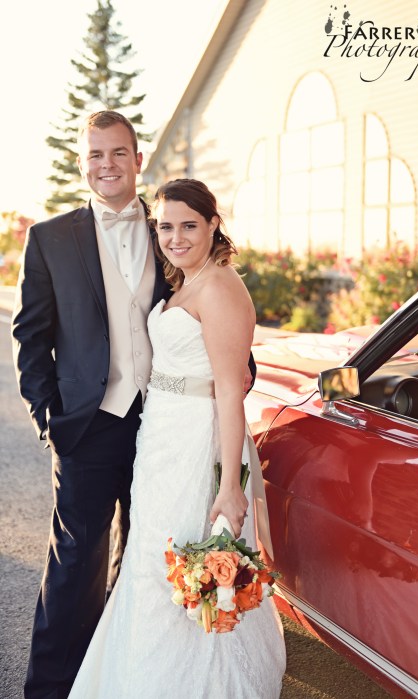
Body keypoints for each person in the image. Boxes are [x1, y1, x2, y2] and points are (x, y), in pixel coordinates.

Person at [12, 112, 254, 698]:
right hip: (87, 427)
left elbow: (210, 307)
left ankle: (124, 675)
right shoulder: (49, 238)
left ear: (138, 160)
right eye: (96, 154)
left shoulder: (168, 224)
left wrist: (237, 369)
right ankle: (50, 690)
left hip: (164, 429)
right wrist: (49, 421)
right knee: (75, 566)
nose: (108, 165)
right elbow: (30, 338)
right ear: (81, 163)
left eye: (119, 152)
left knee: (146, 559)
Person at [67, 179, 286, 698]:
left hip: (195, 442)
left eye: (189, 225)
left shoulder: (220, 287)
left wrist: (229, 487)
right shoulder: (186, 281)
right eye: (166, 227)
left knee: (185, 559)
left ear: (213, 225)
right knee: (150, 559)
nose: (176, 237)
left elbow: (230, 392)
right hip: (160, 441)